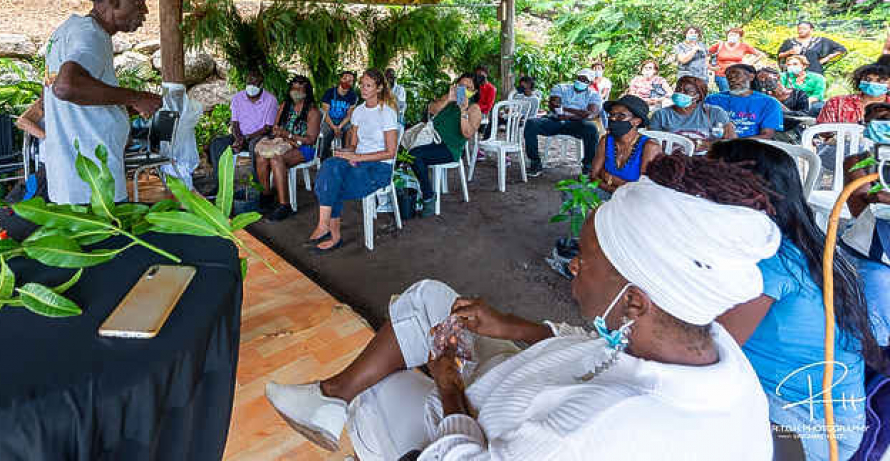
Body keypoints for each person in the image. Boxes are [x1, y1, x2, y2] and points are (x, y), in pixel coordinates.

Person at [265, 178, 779, 460]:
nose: (574, 264)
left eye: (585, 256)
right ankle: (328, 397)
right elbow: (589, 343)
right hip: (516, 374)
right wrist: (509, 326)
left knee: (381, 392)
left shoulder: (586, 435)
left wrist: (448, 388)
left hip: (476, 422)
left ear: (636, 299)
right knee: (430, 299)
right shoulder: (702, 344)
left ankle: (345, 403)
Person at [694, 143, 884, 461]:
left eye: (705, 180)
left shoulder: (770, 261)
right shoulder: (807, 244)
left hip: (803, 429)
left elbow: (708, 350)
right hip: (821, 419)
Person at [45, 0, 161, 204]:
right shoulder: (91, 33)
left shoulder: (67, 31)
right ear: (112, 0)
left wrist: (120, 107)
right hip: (93, 182)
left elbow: (78, 98)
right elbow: (66, 87)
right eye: (138, 2)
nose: (145, 11)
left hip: (74, 178)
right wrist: (136, 97)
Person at [307, 69, 398, 252]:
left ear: (379, 88)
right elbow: (354, 145)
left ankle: (333, 236)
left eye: (368, 85)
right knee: (330, 164)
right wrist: (346, 153)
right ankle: (325, 226)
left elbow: (390, 152)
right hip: (359, 162)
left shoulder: (387, 113)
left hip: (379, 168)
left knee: (333, 185)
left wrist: (357, 157)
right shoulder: (358, 111)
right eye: (362, 85)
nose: (363, 89)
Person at [839, 103, 890, 346]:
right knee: (875, 331)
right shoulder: (860, 162)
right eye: (882, 120)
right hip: (874, 253)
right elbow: (866, 201)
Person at [408, 74, 482, 213]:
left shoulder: (474, 109)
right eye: (461, 86)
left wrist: (463, 110)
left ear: (474, 92)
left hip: (450, 149)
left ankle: (428, 197)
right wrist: (448, 98)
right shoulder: (449, 99)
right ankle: (406, 193)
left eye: (468, 87)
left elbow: (467, 134)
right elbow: (431, 109)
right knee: (403, 152)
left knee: (414, 155)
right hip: (431, 140)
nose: (463, 90)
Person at [254, 75, 321, 222]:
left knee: (277, 160)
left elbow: (311, 139)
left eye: (300, 89)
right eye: (293, 88)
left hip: (304, 149)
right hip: (283, 143)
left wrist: (289, 135)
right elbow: (275, 127)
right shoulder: (285, 106)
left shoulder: (312, 111)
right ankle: (266, 196)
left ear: (306, 92)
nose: (295, 92)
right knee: (261, 157)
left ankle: (284, 205)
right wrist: (279, 133)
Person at [207, 71, 279, 190]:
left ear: (261, 85)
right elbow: (234, 123)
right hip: (240, 136)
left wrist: (245, 139)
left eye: (254, 83)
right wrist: (238, 138)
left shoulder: (271, 100)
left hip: (260, 136)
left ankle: (258, 188)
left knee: (254, 146)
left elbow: (267, 128)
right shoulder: (238, 98)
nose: (251, 86)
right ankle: (220, 185)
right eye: (248, 83)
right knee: (217, 144)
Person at [524, 69, 602, 176]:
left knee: (591, 128)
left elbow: (591, 114)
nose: (581, 81)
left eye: (585, 80)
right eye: (580, 78)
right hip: (555, 121)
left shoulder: (593, 94)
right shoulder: (561, 87)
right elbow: (554, 105)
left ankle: (588, 167)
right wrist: (579, 112)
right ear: (576, 77)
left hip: (576, 124)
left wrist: (566, 110)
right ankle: (535, 163)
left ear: (590, 83)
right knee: (531, 124)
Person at [590, 95, 661, 193]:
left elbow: (642, 190)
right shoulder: (606, 140)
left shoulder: (650, 147)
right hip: (606, 192)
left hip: (633, 202)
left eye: (621, 116)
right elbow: (593, 176)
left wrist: (608, 178)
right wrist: (621, 185)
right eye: (611, 115)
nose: (613, 119)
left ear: (636, 121)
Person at [648, 75, 735, 150]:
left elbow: (731, 141)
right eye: (678, 89)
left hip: (707, 161)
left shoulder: (715, 113)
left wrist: (703, 144)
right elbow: (652, 143)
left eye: (687, 92)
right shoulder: (660, 115)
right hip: (673, 160)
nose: (680, 93)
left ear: (698, 96)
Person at [706, 64, 783, 139]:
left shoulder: (769, 102)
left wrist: (732, 143)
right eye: (728, 77)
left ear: (751, 77)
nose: (732, 79)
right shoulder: (713, 99)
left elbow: (767, 135)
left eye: (737, 75)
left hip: (750, 147)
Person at [817, 63, 890, 125]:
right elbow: (823, 131)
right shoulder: (837, 103)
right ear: (859, 81)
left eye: (881, 81)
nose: (872, 83)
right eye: (867, 79)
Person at [777, 20, 847, 75]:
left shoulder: (821, 41)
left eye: (804, 28)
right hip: (794, 72)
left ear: (811, 30)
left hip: (815, 71)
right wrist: (789, 52)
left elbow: (841, 49)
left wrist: (825, 59)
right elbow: (779, 55)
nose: (801, 30)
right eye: (799, 28)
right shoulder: (789, 42)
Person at [709, 27, 763, 93]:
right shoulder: (719, 45)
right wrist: (710, 67)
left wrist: (749, 63)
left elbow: (760, 55)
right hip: (722, 75)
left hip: (739, 76)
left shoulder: (744, 46)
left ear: (739, 37)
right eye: (730, 35)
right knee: (726, 93)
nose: (732, 37)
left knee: (739, 93)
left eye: (735, 35)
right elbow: (704, 54)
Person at [320, 71, 360, 156]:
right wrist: (334, 127)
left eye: (350, 80)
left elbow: (350, 115)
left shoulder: (353, 96)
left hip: (343, 121)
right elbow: (325, 113)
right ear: (340, 79)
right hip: (329, 120)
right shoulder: (329, 93)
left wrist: (340, 126)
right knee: (326, 131)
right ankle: (323, 155)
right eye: (345, 78)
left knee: (350, 130)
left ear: (352, 83)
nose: (346, 82)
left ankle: (346, 155)